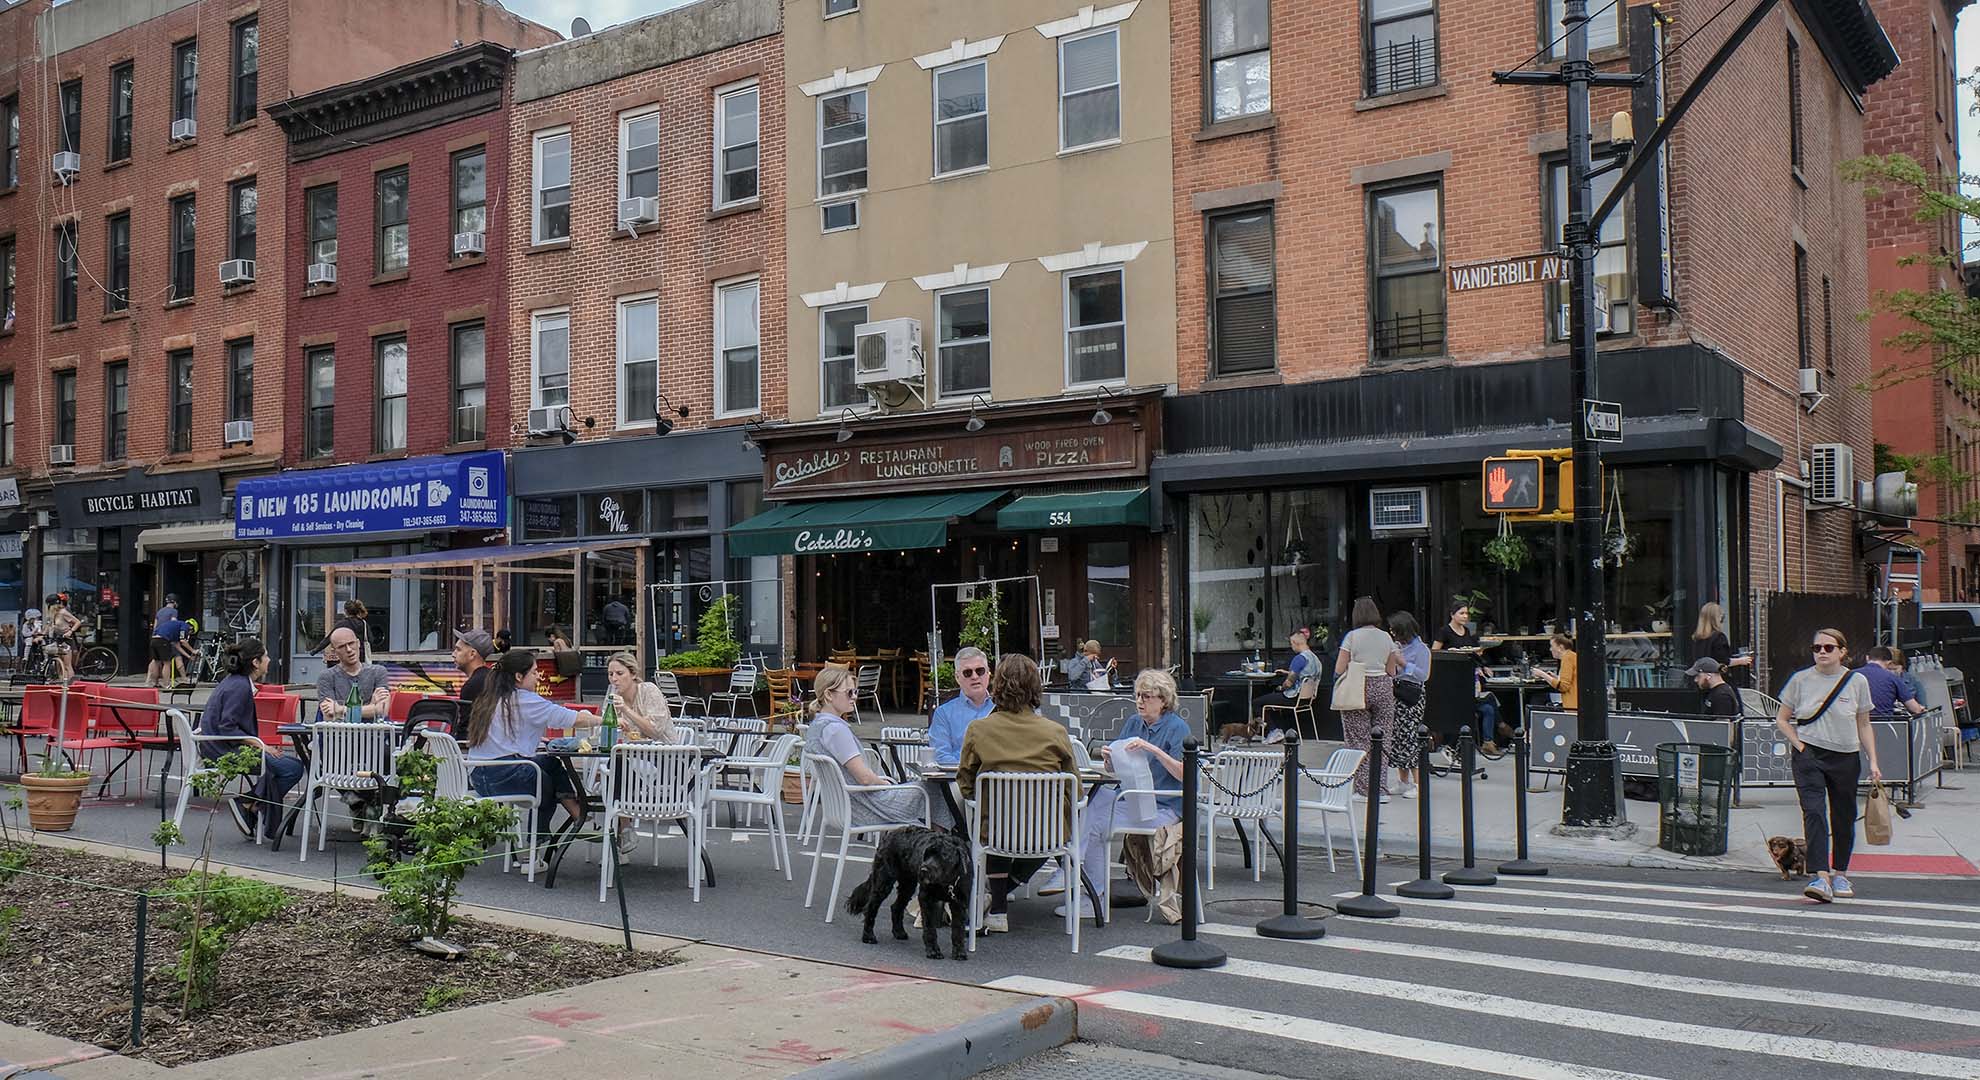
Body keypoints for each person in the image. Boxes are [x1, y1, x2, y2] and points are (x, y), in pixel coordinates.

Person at [1044, 667, 1188, 923]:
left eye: (1147, 696)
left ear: (1163, 700)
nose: (1140, 702)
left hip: (1164, 806)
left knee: (1096, 818)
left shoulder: (1177, 728)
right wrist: (1111, 760)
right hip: (1132, 797)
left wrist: (1152, 749)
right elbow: (1118, 769)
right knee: (1091, 803)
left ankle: (1076, 876)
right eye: (1138, 696)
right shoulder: (1134, 722)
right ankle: (1084, 883)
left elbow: (1184, 775)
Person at [956, 654, 1078, 933]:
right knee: (1042, 827)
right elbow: (1075, 787)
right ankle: (999, 898)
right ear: (1036, 688)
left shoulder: (978, 729)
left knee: (997, 819)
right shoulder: (1055, 732)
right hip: (1047, 834)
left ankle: (997, 906)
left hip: (995, 831)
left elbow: (965, 783)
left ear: (997, 684)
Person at [1774, 627, 1882, 902]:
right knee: (1814, 813)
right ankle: (1820, 876)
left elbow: (1864, 723)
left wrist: (1873, 761)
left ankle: (1840, 873)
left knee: (1843, 815)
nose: (1822, 652)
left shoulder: (1857, 682)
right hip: (1809, 754)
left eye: (1828, 647)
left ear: (1843, 651)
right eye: (1817, 647)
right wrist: (1800, 745)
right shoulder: (1800, 680)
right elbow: (1782, 718)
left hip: (1845, 755)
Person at [462, 649, 589, 873]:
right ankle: (533, 851)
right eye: (534, 672)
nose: (539, 676)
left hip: (480, 777)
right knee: (545, 784)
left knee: (549, 764)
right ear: (519, 677)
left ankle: (577, 814)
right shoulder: (525, 699)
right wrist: (606, 720)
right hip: (504, 775)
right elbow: (570, 718)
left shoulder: (490, 697)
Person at [804, 665, 940, 828]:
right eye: (849, 692)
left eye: (856, 692)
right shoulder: (836, 730)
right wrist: (886, 784)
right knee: (935, 790)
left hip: (846, 807)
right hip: (869, 807)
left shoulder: (816, 726)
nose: (854, 697)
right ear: (828, 695)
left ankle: (933, 842)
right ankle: (943, 845)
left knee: (927, 791)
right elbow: (865, 779)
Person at [197, 639, 305, 842]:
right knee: (293, 768)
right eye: (265, 656)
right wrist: (261, 746)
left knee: (287, 764)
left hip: (216, 746)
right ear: (256, 662)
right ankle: (248, 804)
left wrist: (261, 746)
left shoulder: (233, 681)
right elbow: (227, 727)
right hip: (223, 751)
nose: (269, 659)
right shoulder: (239, 686)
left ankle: (251, 806)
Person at [1337, 597, 1404, 799]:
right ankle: (1380, 788)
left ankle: (1363, 788)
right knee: (1382, 739)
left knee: (1358, 740)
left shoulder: (1352, 637)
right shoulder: (1386, 637)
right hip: (1383, 687)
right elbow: (1392, 670)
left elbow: (1340, 667)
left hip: (1357, 686)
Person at [929, 646, 995, 765]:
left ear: (988, 673)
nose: (975, 676)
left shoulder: (1002, 708)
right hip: (957, 780)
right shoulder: (943, 713)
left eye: (980, 671)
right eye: (967, 673)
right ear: (957, 677)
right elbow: (941, 756)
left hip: (996, 780)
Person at [1388, 612, 1430, 794]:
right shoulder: (1396, 647)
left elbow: (1424, 675)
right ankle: (1403, 780)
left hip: (1412, 694)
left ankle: (1419, 783)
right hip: (1396, 691)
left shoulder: (1421, 649)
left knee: (1411, 736)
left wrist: (1404, 664)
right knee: (1398, 737)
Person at [315, 626, 391, 722]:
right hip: (339, 734)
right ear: (334, 652)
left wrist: (341, 709)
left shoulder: (378, 672)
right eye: (342, 647)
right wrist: (371, 707)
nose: (349, 649)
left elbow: (382, 711)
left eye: (351, 643)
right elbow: (329, 717)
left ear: (358, 643)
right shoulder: (326, 676)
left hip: (371, 734)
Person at [1261, 628, 1322, 742]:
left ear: (1295, 643)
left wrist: (1281, 688)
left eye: (1291, 643)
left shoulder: (1299, 659)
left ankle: (1275, 731)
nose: (1291, 646)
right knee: (1273, 699)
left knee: (1259, 702)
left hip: (1294, 697)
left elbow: (1289, 683)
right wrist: (1287, 672)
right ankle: (1280, 731)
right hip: (1307, 698)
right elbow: (1306, 675)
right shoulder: (1315, 659)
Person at [605, 651, 675, 743]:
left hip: (664, 753)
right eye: (611, 674)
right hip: (628, 753)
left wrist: (626, 709)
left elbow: (655, 732)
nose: (614, 679)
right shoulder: (612, 697)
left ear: (633, 674)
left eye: (620, 673)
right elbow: (603, 731)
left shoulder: (649, 691)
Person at [1692, 602, 1753, 684]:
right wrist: (1741, 660)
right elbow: (1723, 661)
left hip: (1701, 679)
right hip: (1717, 681)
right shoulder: (1719, 637)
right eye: (1721, 616)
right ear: (1717, 618)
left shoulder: (1697, 638)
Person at [1857, 646, 1925, 717]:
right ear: (1889, 662)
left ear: (1867, 658)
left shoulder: (1852, 675)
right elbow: (1916, 709)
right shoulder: (1892, 677)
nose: (1891, 671)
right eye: (1890, 668)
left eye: (1895, 669)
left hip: (1856, 723)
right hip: (1885, 724)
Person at [453, 629, 495, 706]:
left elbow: (468, 717)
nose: (453, 654)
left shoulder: (472, 686)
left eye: (458, 649)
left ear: (472, 654)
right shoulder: (492, 677)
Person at [44, 595, 81, 681]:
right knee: (59, 665)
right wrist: (42, 634)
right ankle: (62, 683)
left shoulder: (63, 612)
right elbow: (49, 625)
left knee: (67, 664)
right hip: (57, 639)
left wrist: (70, 631)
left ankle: (72, 684)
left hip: (66, 640)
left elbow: (77, 622)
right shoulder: (53, 614)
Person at [147, 594, 182, 687]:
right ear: (174, 602)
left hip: (154, 638)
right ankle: (166, 684)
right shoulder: (174, 611)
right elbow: (173, 624)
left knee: (156, 661)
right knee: (167, 663)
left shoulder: (159, 611)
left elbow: (155, 626)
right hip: (164, 638)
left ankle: (154, 683)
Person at [1537, 632, 1578, 708]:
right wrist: (1555, 677)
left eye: (1552, 646)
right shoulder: (1572, 656)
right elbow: (1571, 681)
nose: (1550, 649)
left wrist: (1543, 675)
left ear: (1560, 647)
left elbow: (1563, 686)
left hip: (1572, 706)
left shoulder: (1567, 658)